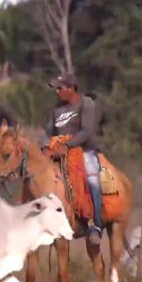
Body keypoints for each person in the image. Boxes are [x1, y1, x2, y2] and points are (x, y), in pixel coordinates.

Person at [44, 73, 102, 246]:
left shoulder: (86, 103)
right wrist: (44, 146)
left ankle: (95, 225)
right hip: (59, 153)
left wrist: (67, 145)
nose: (57, 92)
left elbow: (86, 131)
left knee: (92, 180)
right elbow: (47, 133)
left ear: (71, 88)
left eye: (60, 88)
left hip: (84, 151)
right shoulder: (56, 110)